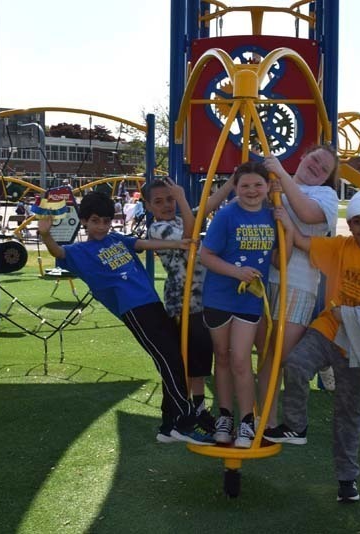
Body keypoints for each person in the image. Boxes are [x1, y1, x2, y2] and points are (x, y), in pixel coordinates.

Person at [264, 189, 360, 503]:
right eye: (357, 221)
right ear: (350, 224)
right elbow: (302, 241)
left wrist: (356, 316)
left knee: (348, 412)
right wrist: (283, 217)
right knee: (295, 364)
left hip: (357, 345)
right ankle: (296, 426)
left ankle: (347, 479)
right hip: (328, 329)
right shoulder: (340, 247)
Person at [37, 191, 214, 445]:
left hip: (152, 303)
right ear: (84, 221)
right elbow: (58, 252)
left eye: (106, 221)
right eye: (95, 221)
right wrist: (46, 235)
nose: (101, 226)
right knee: (170, 361)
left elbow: (142, 244)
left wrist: (179, 244)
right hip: (134, 310)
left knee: (175, 359)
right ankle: (184, 422)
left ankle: (169, 426)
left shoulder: (116, 239)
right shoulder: (79, 251)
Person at [199, 161, 293, 448]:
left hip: (249, 299)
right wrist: (236, 272)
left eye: (257, 185)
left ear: (267, 187)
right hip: (219, 296)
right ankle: (225, 416)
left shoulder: (271, 215)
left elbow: (280, 261)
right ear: (236, 188)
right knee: (222, 356)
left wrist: (288, 230)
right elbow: (206, 255)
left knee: (240, 359)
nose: (251, 190)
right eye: (245, 185)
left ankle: (247, 420)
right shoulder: (227, 215)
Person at [256, 145, 341, 429]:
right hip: (264, 277)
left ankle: (321, 357)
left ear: (327, 178)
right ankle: (264, 421)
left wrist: (280, 173)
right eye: (315, 159)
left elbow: (306, 214)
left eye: (324, 169)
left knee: (279, 356)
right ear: (303, 156)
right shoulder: (275, 182)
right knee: (263, 355)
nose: (316, 167)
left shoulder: (325, 195)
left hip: (297, 283)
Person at [144, 176, 234, 440]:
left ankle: (198, 408)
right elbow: (191, 235)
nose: (166, 205)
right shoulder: (158, 228)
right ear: (148, 206)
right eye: (159, 201)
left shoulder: (180, 218)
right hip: (182, 303)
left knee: (200, 360)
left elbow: (208, 205)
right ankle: (180, 415)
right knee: (186, 360)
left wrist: (232, 182)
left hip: (202, 301)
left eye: (170, 199)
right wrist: (182, 199)